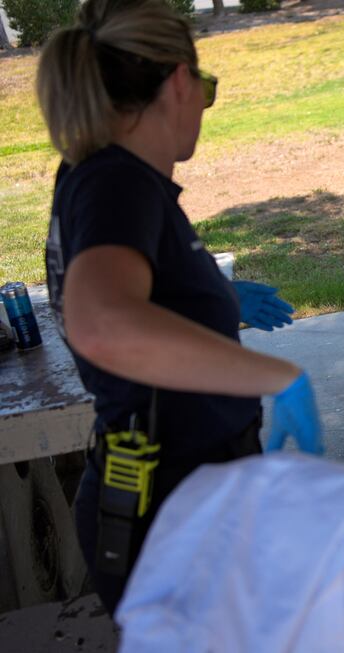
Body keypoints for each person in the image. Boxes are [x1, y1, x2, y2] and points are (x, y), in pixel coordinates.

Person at [37, 0, 325, 615]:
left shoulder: (98, 176)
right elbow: (102, 320)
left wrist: (218, 303)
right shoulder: (119, 183)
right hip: (172, 509)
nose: (203, 107)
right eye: (206, 88)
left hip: (180, 498)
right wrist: (282, 378)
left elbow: (139, 298)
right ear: (177, 82)